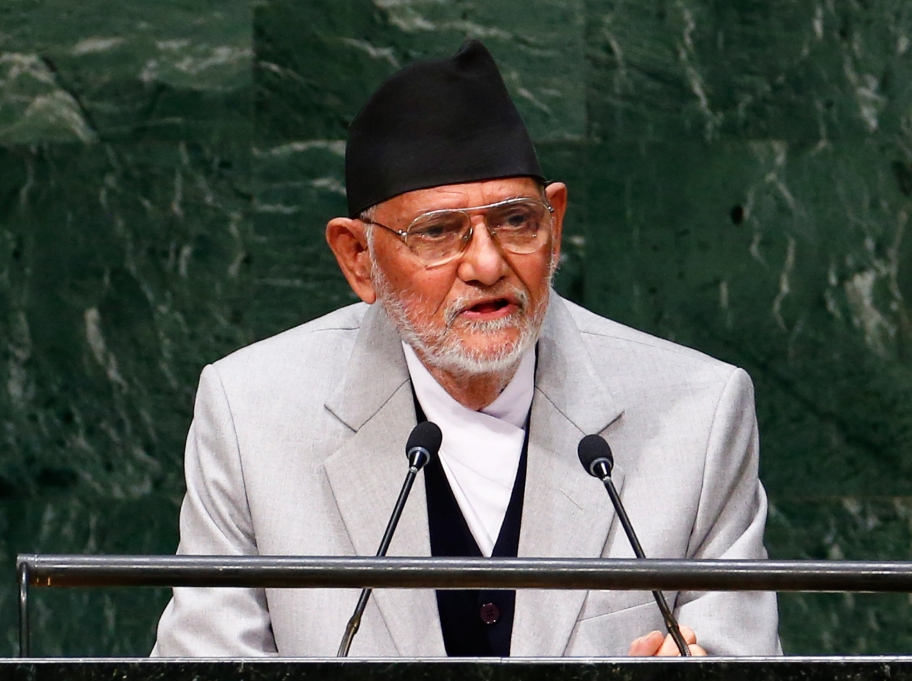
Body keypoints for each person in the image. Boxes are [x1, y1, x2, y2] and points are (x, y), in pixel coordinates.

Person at [152, 40, 781, 658]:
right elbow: (204, 663)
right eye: (438, 232)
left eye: (515, 222)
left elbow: (741, 652)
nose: (486, 263)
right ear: (357, 259)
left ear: (554, 224)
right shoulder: (252, 413)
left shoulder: (698, 413)